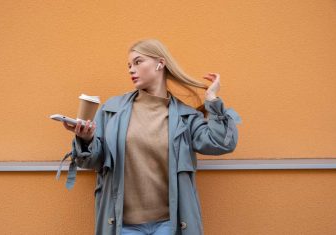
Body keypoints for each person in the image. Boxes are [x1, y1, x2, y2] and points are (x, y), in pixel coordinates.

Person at [57, 38, 241, 235]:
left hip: (169, 225)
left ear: (160, 63)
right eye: (129, 65)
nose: (131, 69)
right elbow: (92, 162)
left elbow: (222, 143)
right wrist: (86, 139)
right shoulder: (112, 110)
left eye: (138, 62)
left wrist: (212, 100)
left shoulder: (185, 117)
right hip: (123, 226)